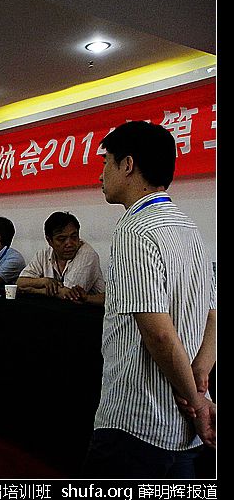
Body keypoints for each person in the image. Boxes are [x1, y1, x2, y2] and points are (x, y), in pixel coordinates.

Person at [83, 121, 216, 478]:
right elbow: (213, 314)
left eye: (105, 162)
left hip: (137, 421)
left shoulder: (135, 230)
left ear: (127, 165)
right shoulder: (190, 228)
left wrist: (197, 401)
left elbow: (158, 333)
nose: (100, 175)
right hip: (182, 430)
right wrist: (200, 376)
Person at [16, 212, 105, 305]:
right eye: (62, 239)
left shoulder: (87, 255)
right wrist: (44, 281)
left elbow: (69, 295)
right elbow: (20, 282)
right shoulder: (43, 254)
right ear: (49, 240)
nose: (69, 244)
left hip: (88, 311)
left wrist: (33, 290)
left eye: (74, 237)